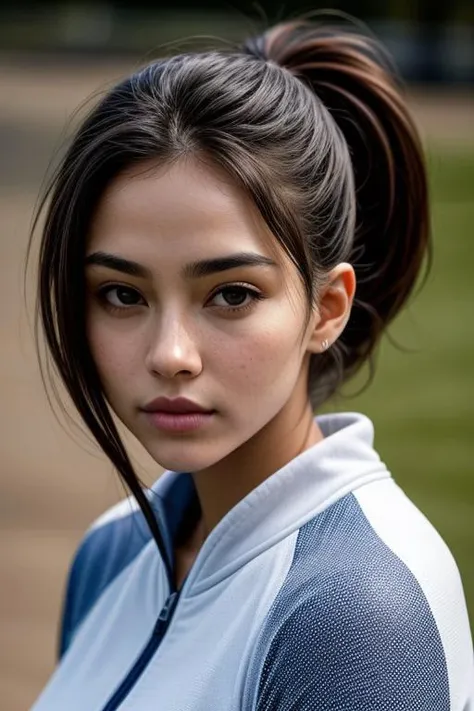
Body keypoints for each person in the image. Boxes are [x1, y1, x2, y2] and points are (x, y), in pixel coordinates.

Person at [28, 15, 473, 711]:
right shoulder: (111, 553)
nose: (170, 353)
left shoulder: (353, 615)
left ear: (327, 308)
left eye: (231, 294)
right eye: (121, 293)